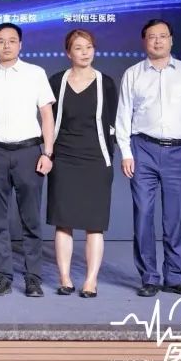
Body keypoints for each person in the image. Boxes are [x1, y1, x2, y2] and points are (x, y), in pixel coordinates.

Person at [116, 19, 181, 298]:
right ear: (144, 41)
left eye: (163, 36)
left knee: (174, 218)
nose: (158, 41)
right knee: (143, 215)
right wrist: (126, 153)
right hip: (143, 149)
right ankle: (149, 278)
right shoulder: (133, 74)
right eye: (152, 36)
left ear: (171, 40)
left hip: (180, 152)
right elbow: (123, 115)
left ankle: (175, 277)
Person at [0, 22, 56, 298]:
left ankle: (33, 279)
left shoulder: (35, 73)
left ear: (21, 44)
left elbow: (47, 115)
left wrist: (48, 152)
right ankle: (2, 277)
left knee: (31, 220)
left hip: (29, 152)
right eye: (1, 41)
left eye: (12, 40)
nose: (6, 45)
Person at [47, 29, 117, 298]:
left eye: (89, 47)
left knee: (94, 223)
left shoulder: (105, 83)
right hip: (64, 158)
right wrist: (48, 154)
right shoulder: (57, 81)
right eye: (78, 48)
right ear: (68, 53)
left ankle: (91, 280)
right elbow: (49, 120)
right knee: (63, 222)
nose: (85, 52)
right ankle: (64, 278)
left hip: (96, 159)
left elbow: (113, 122)